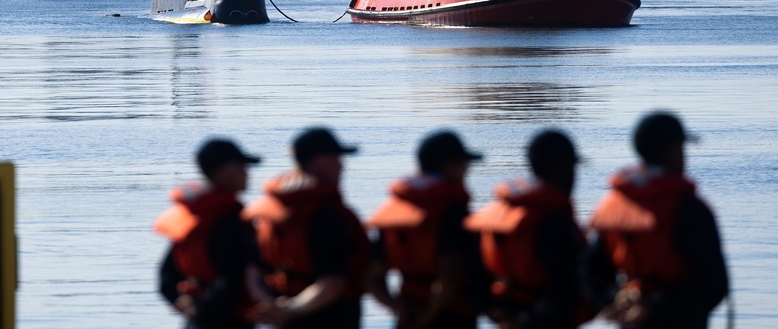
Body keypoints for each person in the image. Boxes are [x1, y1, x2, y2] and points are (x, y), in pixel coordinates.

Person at [583, 111, 729, 329]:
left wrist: (616, 300)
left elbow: (589, 271)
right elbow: (715, 287)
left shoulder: (615, 204)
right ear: (672, 150)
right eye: (681, 148)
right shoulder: (689, 208)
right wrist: (655, 307)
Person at [242, 127, 369, 329]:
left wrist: (272, 306)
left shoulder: (271, 212)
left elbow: (252, 274)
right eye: (336, 157)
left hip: (283, 318)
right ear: (318, 161)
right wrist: (291, 311)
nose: (341, 165)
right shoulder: (327, 215)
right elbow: (333, 283)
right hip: (329, 318)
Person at [464, 129, 589, 329]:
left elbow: (474, 281)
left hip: (504, 316)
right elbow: (566, 294)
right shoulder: (556, 223)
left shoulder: (494, 217)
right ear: (564, 167)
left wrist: (496, 314)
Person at [366, 130, 484, 329]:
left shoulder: (397, 210)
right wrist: (428, 316)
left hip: (408, 313)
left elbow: (371, 275)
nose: (466, 169)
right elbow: (450, 276)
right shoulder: (453, 210)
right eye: (463, 162)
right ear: (448, 165)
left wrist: (396, 307)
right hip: (452, 317)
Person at [154, 138, 263, 329]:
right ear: (225, 171)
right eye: (242, 166)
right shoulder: (229, 221)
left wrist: (184, 303)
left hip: (195, 321)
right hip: (228, 321)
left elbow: (166, 276)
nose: (246, 172)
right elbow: (232, 280)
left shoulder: (192, 217)